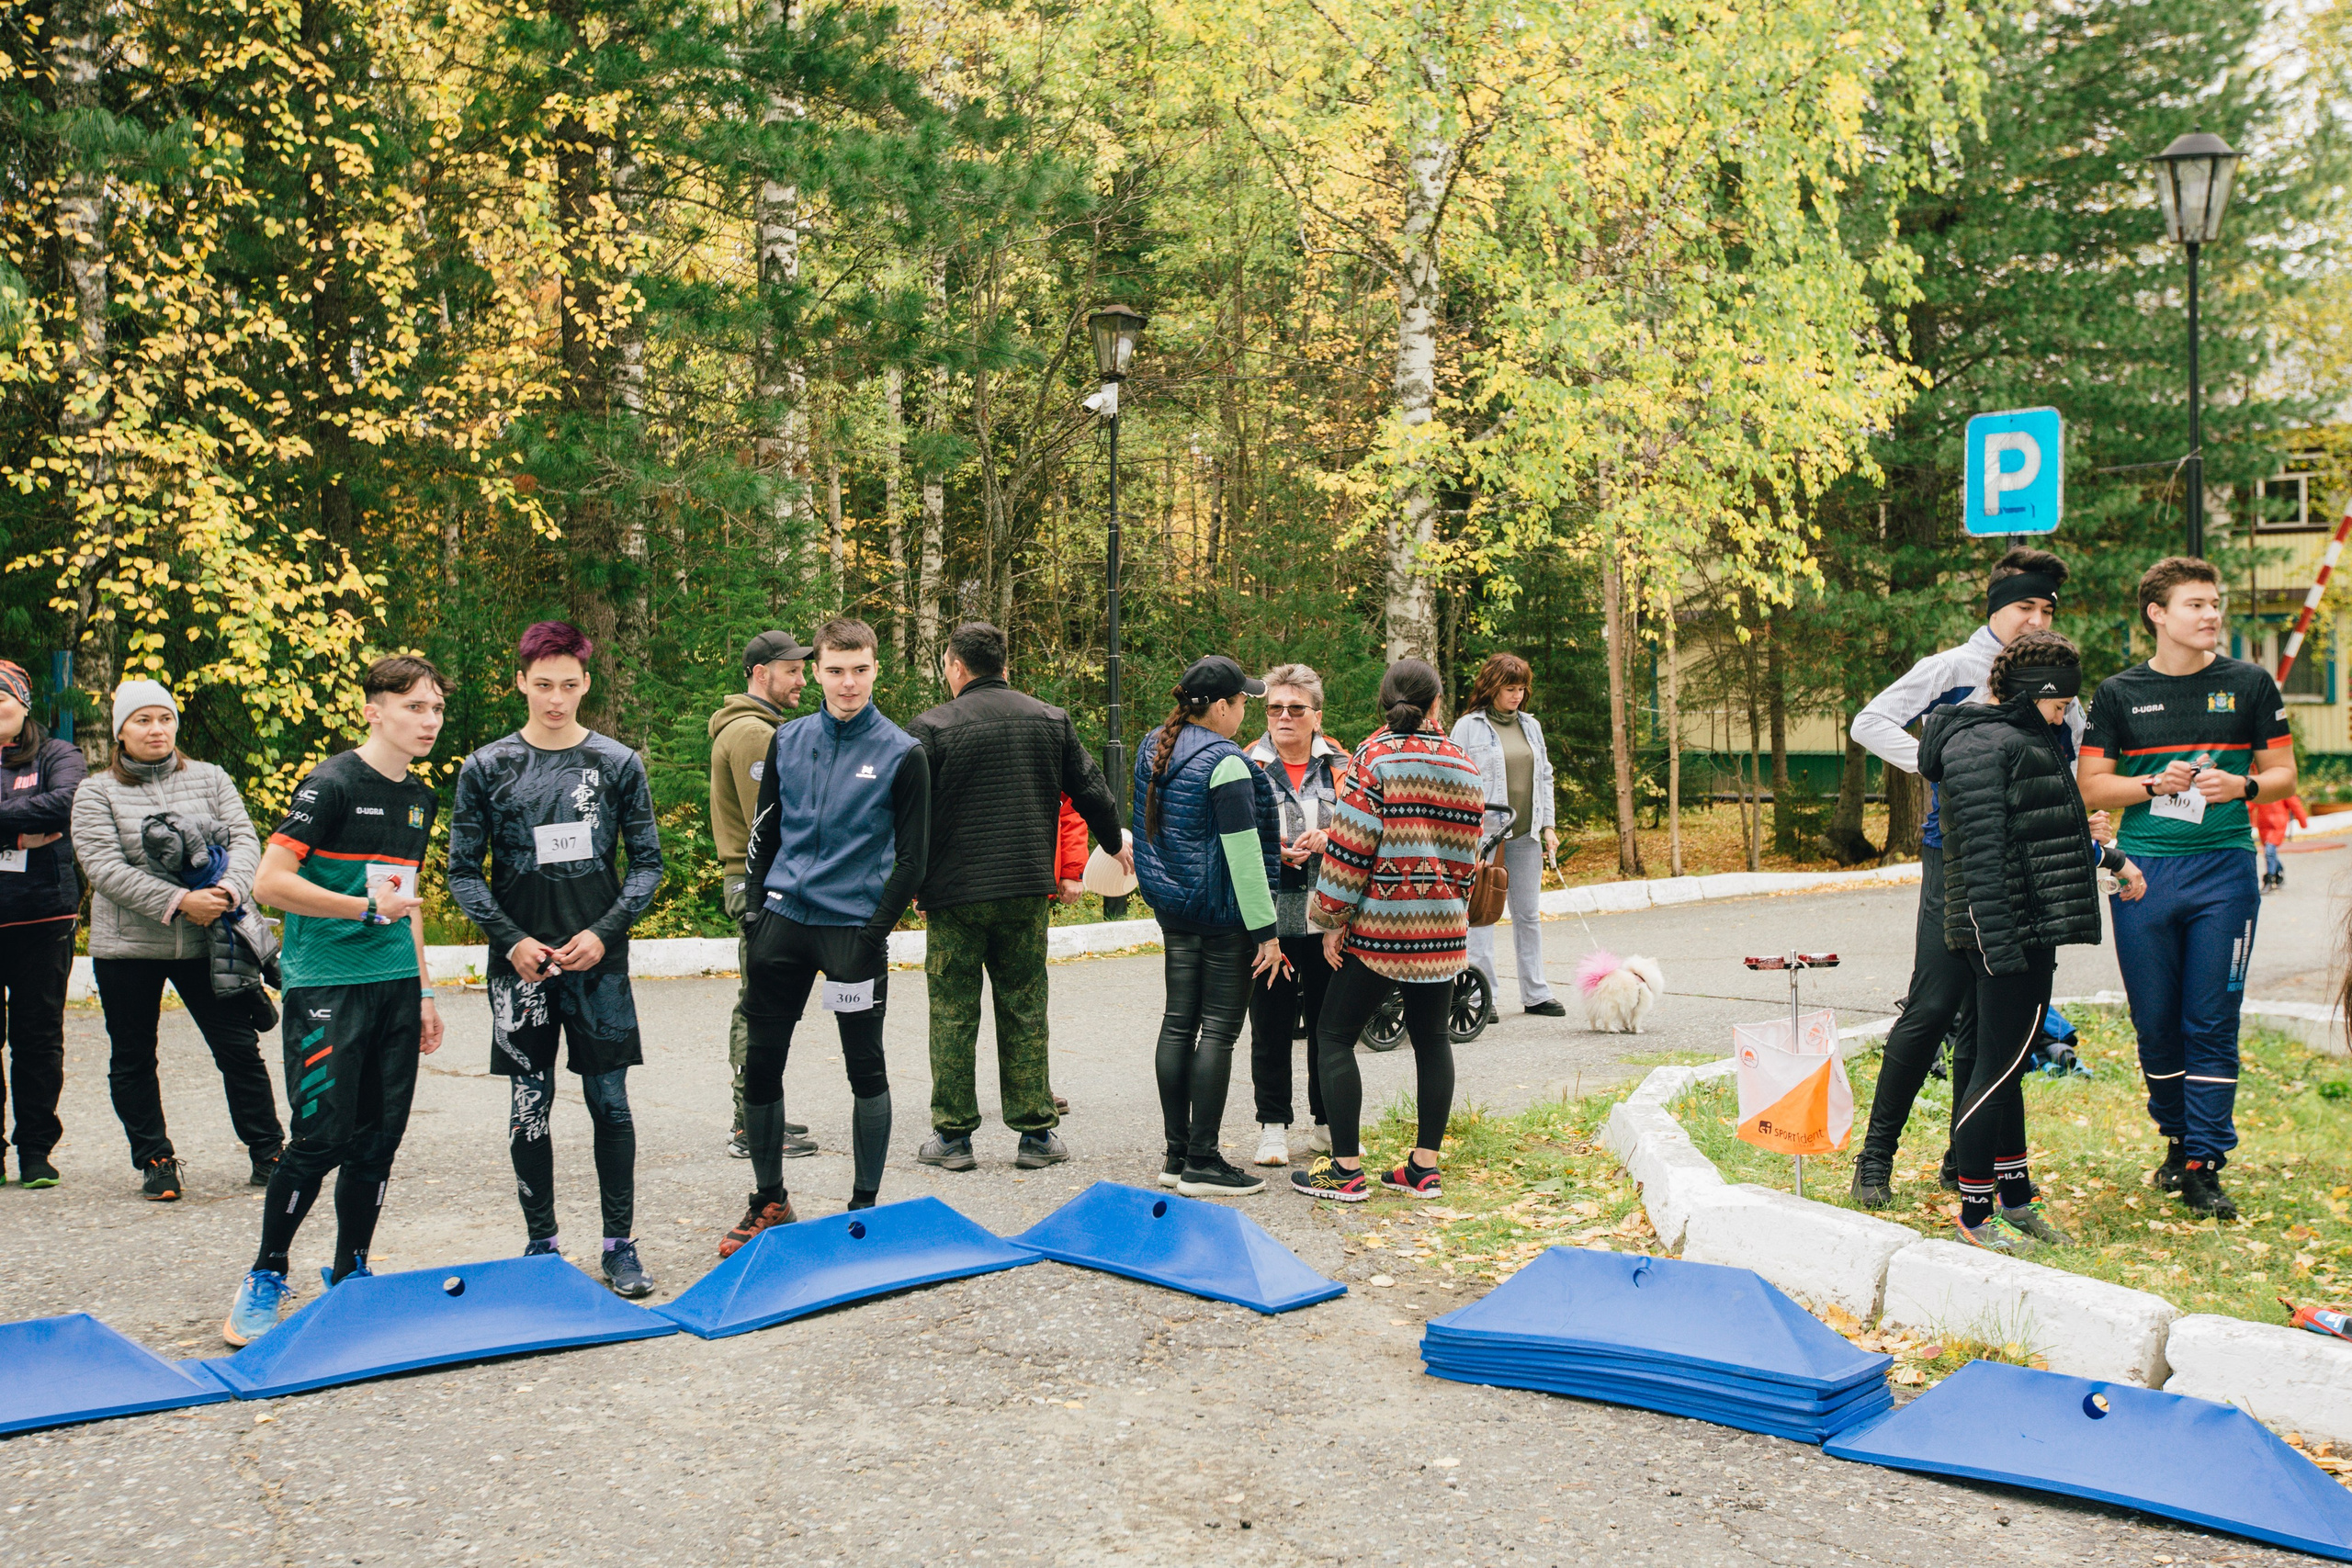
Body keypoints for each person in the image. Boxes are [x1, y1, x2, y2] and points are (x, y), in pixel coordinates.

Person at [1845, 547, 2081, 1209]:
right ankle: (1876, 1159)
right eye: (2024, 607)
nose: (2035, 618)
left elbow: (2075, 759)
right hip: (1955, 855)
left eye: (2046, 609)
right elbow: (1870, 721)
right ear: (1994, 607)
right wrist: (1935, 762)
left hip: (2024, 867)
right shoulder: (1952, 667)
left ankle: (1963, 1160)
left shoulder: (2054, 675)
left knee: (1992, 1022)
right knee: (1934, 1005)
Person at [223, 656, 447, 1346]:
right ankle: (266, 1272)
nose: (430, 720)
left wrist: (426, 987)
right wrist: (360, 909)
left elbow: (403, 902)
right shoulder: (331, 784)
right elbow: (269, 882)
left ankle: (351, 1270)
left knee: (379, 1141)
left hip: (395, 989)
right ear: (373, 709)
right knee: (320, 1138)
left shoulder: (421, 797)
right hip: (325, 986)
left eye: (437, 708)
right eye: (414, 706)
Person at [447, 623, 665, 1298]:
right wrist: (510, 940)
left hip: (598, 964)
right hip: (522, 968)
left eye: (569, 685)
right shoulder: (485, 767)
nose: (556, 699)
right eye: (543, 685)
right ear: (520, 682)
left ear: (585, 685)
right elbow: (462, 871)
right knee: (529, 1104)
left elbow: (649, 864)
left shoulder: (617, 763)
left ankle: (618, 1242)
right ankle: (541, 1242)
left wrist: (604, 932)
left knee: (610, 1103)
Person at [2078, 557, 2297, 1222]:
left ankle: (2205, 1160)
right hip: (2143, 876)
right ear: (2158, 614)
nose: (2211, 615)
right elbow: (2091, 787)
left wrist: (2244, 786)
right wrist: (2151, 786)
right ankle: (2176, 1137)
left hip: (2224, 873)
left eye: (2214, 603)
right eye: (2196, 604)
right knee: (2156, 1023)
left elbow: (2284, 772)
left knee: (2211, 1018)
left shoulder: (2250, 684)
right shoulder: (2118, 694)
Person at [1922, 631, 2143, 1249]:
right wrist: (1999, 944)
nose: (2064, 714)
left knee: (2011, 1064)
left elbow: (2042, 828)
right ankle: (1974, 1211)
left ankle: (2015, 1198)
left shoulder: (2020, 738)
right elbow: (1985, 855)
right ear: (2029, 692)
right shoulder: (1985, 744)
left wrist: (2112, 856)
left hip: (2025, 926)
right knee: (1993, 1070)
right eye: (2058, 703)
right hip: (2004, 933)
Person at [726, 618, 926, 1252]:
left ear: (876, 669)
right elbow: (765, 830)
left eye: (859, 669)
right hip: (783, 925)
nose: (847, 683)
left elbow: (914, 858)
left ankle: (862, 1208)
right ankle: (769, 1198)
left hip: (851, 933)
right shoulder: (789, 740)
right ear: (815, 670)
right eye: (835, 669)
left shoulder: (903, 752)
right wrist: (756, 912)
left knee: (864, 1068)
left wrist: (874, 930)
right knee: (762, 1062)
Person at [908, 622, 1125, 1171]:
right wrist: (1112, 841)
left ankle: (953, 1138)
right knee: (1025, 1004)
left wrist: (911, 884)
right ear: (1005, 664)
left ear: (956, 667)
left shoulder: (930, 727)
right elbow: (1091, 788)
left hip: (954, 893)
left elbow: (907, 815)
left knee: (952, 1010)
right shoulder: (1050, 720)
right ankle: (1035, 1134)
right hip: (1026, 888)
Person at [74, 680, 281, 1201]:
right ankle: (155, 1159)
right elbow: (102, 867)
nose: (156, 729)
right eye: (142, 721)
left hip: (211, 943)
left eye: (164, 719)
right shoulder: (96, 790)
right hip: (129, 949)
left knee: (238, 1049)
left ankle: (270, 1152)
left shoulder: (211, 778)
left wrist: (229, 889)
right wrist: (179, 902)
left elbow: (244, 839)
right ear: (121, 730)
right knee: (134, 1056)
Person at [1293, 659, 1487, 1201]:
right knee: (1431, 1042)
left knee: (1332, 1035)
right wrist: (1452, 911)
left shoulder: (1371, 760)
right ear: (1436, 703)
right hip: (1444, 929)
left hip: (1381, 929)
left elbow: (1351, 849)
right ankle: (1424, 1168)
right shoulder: (1464, 765)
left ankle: (1346, 1170)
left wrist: (1331, 921)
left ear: (1385, 701)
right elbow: (1468, 860)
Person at [1132, 654, 1283, 1196]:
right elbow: (1243, 855)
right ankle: (1203, 1160)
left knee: (1177, 1023)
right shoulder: (1227, 764)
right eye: (1243, 702)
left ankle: (1175, 1157)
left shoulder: (1155, 746)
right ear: (1220, 707)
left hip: (1175, 907)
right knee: (1218, 1030)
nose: (1244, 712)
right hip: (1222, 915)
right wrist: (1267, 932)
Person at [708, 630, 819, 1160]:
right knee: (759, 1003)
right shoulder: (753, 734)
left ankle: (758, 1112)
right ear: (761, 673)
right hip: (760, 881)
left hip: (763, 879)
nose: (803, 680)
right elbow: (771, 822)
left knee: (766, 1000)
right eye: (793, 671)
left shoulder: (762, 727)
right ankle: (749, 1125)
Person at [1242, 663, 1350, 1166]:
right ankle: (1272, 1128)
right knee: (1271, 1027)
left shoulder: (1342, 765)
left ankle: (1327, 1125)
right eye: (1274, 708)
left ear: (1316, 715)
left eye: (1295, 708)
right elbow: (1235, 839)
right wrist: (1274, 849)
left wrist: (1329, 839)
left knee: (1330, 1028)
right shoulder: (1246, 764)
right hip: (1270, 923)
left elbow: (1363, 832)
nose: (1283, 717)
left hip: (1328, 919)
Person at [0, 660, 85, 1190]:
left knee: (36, 1038)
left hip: (42, 914)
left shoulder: (58, 753)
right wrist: (22, 828)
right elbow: (44, 813)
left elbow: (70, 802)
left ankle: (35, 1150)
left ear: (22, 702)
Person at [1450, 652, 1564, 1021]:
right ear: (1492, 687)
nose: (1517, 695)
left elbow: (1544, 776)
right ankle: (1485, 995)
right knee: (1482, 914)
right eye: (1510, 688)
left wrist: (1548, 826)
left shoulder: (1531, 726)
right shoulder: (1468, 727)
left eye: (1521, 689)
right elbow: (1454, 780)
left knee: (1528, 914)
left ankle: (1536, 992)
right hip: (1486, 837)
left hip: (1527, 834)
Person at [2253, 789, 2309, 891]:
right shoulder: (2261, 787)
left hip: (2277, 824)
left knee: (2269, 852)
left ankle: (2270, 880)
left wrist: (2303, 821)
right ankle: (2279, 870)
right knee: (2271, 853)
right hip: (2263, 824)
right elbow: (2250, 803)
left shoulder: (2281, 786)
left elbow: (2294, 804)